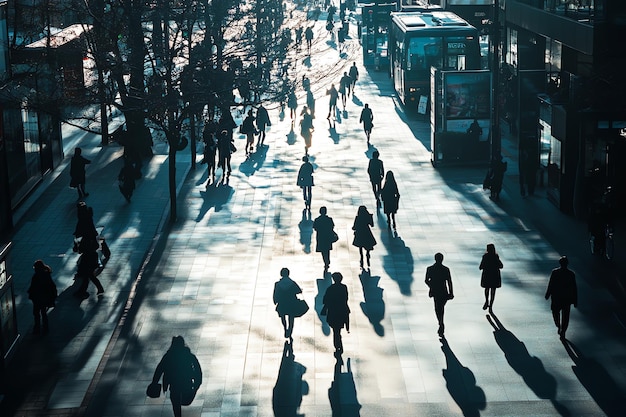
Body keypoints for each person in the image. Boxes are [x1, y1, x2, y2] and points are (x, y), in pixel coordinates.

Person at [151, 336, 202, 417]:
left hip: (174, 384)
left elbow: (160, 369)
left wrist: (154, 382)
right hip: (186, 382)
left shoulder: (168, 356)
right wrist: (197, 383)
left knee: (176, 403)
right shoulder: (189, 355)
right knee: (184, 399)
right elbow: (197, 369)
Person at [545, 256, 577, 340]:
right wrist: (575, 300)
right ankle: (563, 330)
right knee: (565, 317)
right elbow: (574, 288)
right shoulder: (571, 274)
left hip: (556, 297)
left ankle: (559, 326)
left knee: (555, 312)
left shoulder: (555, 272)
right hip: (567, 298)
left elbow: (551, 284)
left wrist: (548, 294)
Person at [425, 253, 454, 337]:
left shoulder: (430, 269)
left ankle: (440, 323)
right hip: (443, 291)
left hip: (435, 291)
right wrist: (451, 292)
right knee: (440, 307)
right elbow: (449, 282)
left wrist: (431, 285)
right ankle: (441, 323)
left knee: (438, 308)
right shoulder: (445, 269)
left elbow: (426, 280)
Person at [322, 272, 350, 354]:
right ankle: (339, 342)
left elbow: (325, 300)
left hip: (333, 311)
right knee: (338, 330)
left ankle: (337, 344)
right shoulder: (344, 287)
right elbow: (346, 298)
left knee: (335, 330)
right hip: (342, 310)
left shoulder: (330, 288)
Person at [28, 260, 57, 334]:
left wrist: (31, 294)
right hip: (44, 298)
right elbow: (52, 286)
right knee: (43, 313)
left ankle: (37, 328)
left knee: (36, 314)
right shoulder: (46, 275)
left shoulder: (36, 276)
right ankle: (45, 328)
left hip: (37, 298)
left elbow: (33, 287)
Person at [273, 268, 304, 338]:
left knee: (283, 317)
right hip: (291, 303)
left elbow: (275, 293)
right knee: (291, 317)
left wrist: (275, 301)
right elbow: (299, 291)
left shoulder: (277, 284)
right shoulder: (292, 283)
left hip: (282, 303)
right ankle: (290, 330)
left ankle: (285, 328)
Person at [479, 243, 503, 310]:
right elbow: (501, 265)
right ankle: (491, 305)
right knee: (493, 290)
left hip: (487, 275)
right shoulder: (496, 256)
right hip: (494, 275)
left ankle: (486, 301)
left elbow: (481, 266)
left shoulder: (485, 256)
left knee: (487, 288)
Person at [313, 206, 337, 271]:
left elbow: (315, 228)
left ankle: (325, 261)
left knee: (323, 250)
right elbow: (332, 226)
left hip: (320, 237)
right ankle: (327, 260)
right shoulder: (329, 219)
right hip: (327, 236)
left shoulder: (317, 220)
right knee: (327, 249)